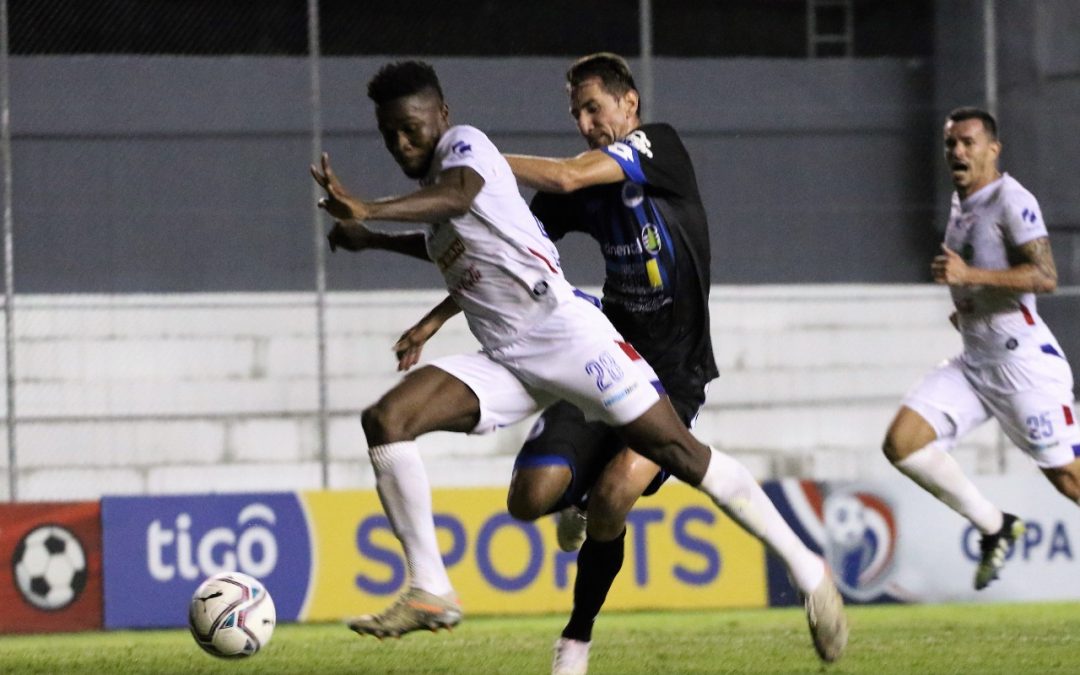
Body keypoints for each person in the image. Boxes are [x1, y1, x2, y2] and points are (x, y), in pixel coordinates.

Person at [311, 59, 847, 667]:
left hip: (576, 340)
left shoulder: (474, 149)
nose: (403, 143)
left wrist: (374, 208)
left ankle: (809, 572)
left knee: (673, 457)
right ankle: (431, 588)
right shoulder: (447, 191)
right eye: (391, 135)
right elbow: (493, 243)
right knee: (390, 421)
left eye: (412, 128)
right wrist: (383, 252)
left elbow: (491, 186)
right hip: (511, 356)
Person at [882, 107, 1080, 591]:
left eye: (968, 142)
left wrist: (970, 278)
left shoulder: (1012, 200)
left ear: (994, 148)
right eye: (951, 144)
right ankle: (996, 525)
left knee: (1069, 480)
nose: (958, 152)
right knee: (902, 443)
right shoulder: (961, 204)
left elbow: (1045, 276)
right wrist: (969, 304)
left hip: (1022, 362)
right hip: (976, 360)